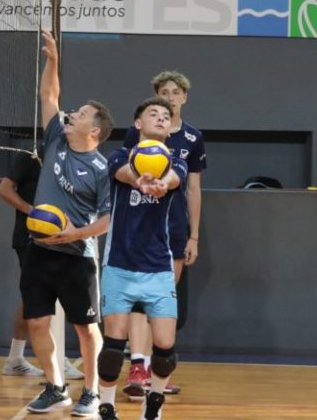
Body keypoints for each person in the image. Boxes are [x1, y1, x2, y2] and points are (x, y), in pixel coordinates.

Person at [22, 29, 113, 416]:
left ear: (93, 130)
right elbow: (49, 96)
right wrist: (54, 61)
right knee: (38, 324)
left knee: (85, 329)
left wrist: (75, 233)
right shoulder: (57, 139)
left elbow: (108, 219)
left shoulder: (101, 168)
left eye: (79, 115)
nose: (70, 113)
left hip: (77, 256)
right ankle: (55, 386)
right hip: (38, 252)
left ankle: (90, 392)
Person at [97, 97, 187, 420]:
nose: (162, 118)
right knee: (112, 348)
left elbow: (175, 180)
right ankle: (106, 406)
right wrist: (140, 181)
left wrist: (162, 184)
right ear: (138, 124)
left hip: (158, 268)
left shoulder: (177, 162)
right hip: (119, 266)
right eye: (153, 114)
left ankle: (154, 404)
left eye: (166, 115)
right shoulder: (120, 155)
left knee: (165, 352)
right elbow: (123, 174)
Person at [121, 71, 206, 398]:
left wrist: (193, 235)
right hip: (141, 229)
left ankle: (157, 371)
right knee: (140, 299)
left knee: (162, 303)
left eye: (175, 92)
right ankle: (137, 368)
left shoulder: (192, 138)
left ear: (184, 97)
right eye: (164, 92)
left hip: (174, 229)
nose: (169, 97)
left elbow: (194, 189)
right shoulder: (138, 132)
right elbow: (124, 175)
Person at [0, 148, 85, 380]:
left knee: (32, 299)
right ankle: (55, 359)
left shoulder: (74, 161)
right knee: (43, 296)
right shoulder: (32, 155)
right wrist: (34, 213)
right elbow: (4, 189)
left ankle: (15, 358)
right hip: (30, 238)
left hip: (61, 238)